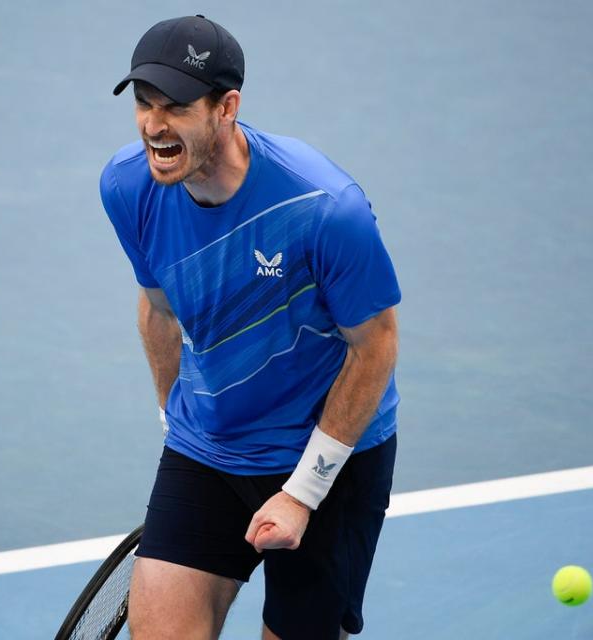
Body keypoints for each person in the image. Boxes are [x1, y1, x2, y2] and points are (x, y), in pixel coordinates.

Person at [100, 15, 401, 640]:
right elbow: (157, 307)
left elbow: (375, 347)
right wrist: (174, 419)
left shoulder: (322, 208)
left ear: (226, 107)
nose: (154, 125)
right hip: (208, 447)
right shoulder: (128, 187)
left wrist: (303, 492)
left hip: (326, 458)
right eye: (144, 102)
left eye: (176, 106)